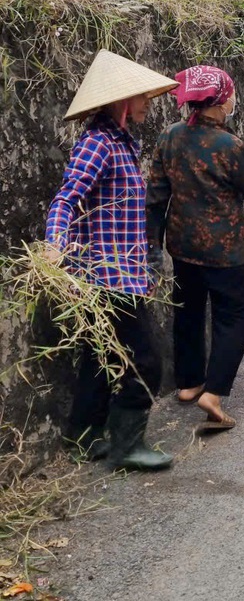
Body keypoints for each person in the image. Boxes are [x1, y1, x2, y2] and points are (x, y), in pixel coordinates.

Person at [146, 65, 244, 430]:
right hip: (226, 251)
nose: (233, 101)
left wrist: (153, 245)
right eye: (231, 95)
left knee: (188, 312)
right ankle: (213, 393)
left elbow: (155, 196)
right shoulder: (229, 146)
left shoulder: (169, 136)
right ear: (218, 102)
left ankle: (189, 384)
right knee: (236, 316)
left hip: (182, 248)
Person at [45, 49, 179, 471]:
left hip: (124, 273)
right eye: (141, 96)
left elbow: (125, 218)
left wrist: (145, 270)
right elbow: (66, 199)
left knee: (100, 356)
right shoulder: (98, 144)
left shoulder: (122, 144)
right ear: (121, 101)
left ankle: (82, 435)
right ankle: (126, 446)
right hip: (105, 277)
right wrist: (54, 247)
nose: (147, 103)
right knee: (145, 362)